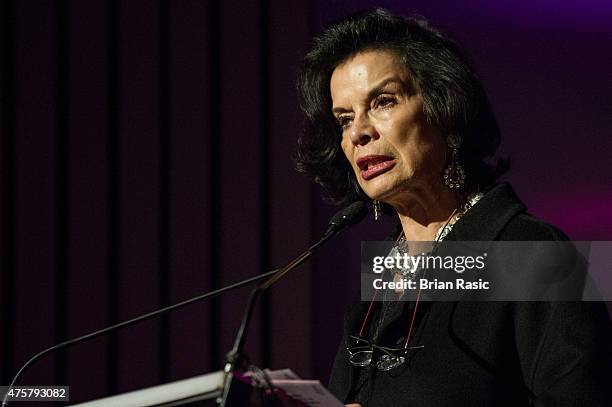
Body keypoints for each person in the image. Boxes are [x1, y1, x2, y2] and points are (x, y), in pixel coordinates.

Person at [296, 8, 611, 407]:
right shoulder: (381, 279)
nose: (358, 131)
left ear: (444, 109)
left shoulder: (531, 253)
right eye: (344, 118)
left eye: (383, 101)